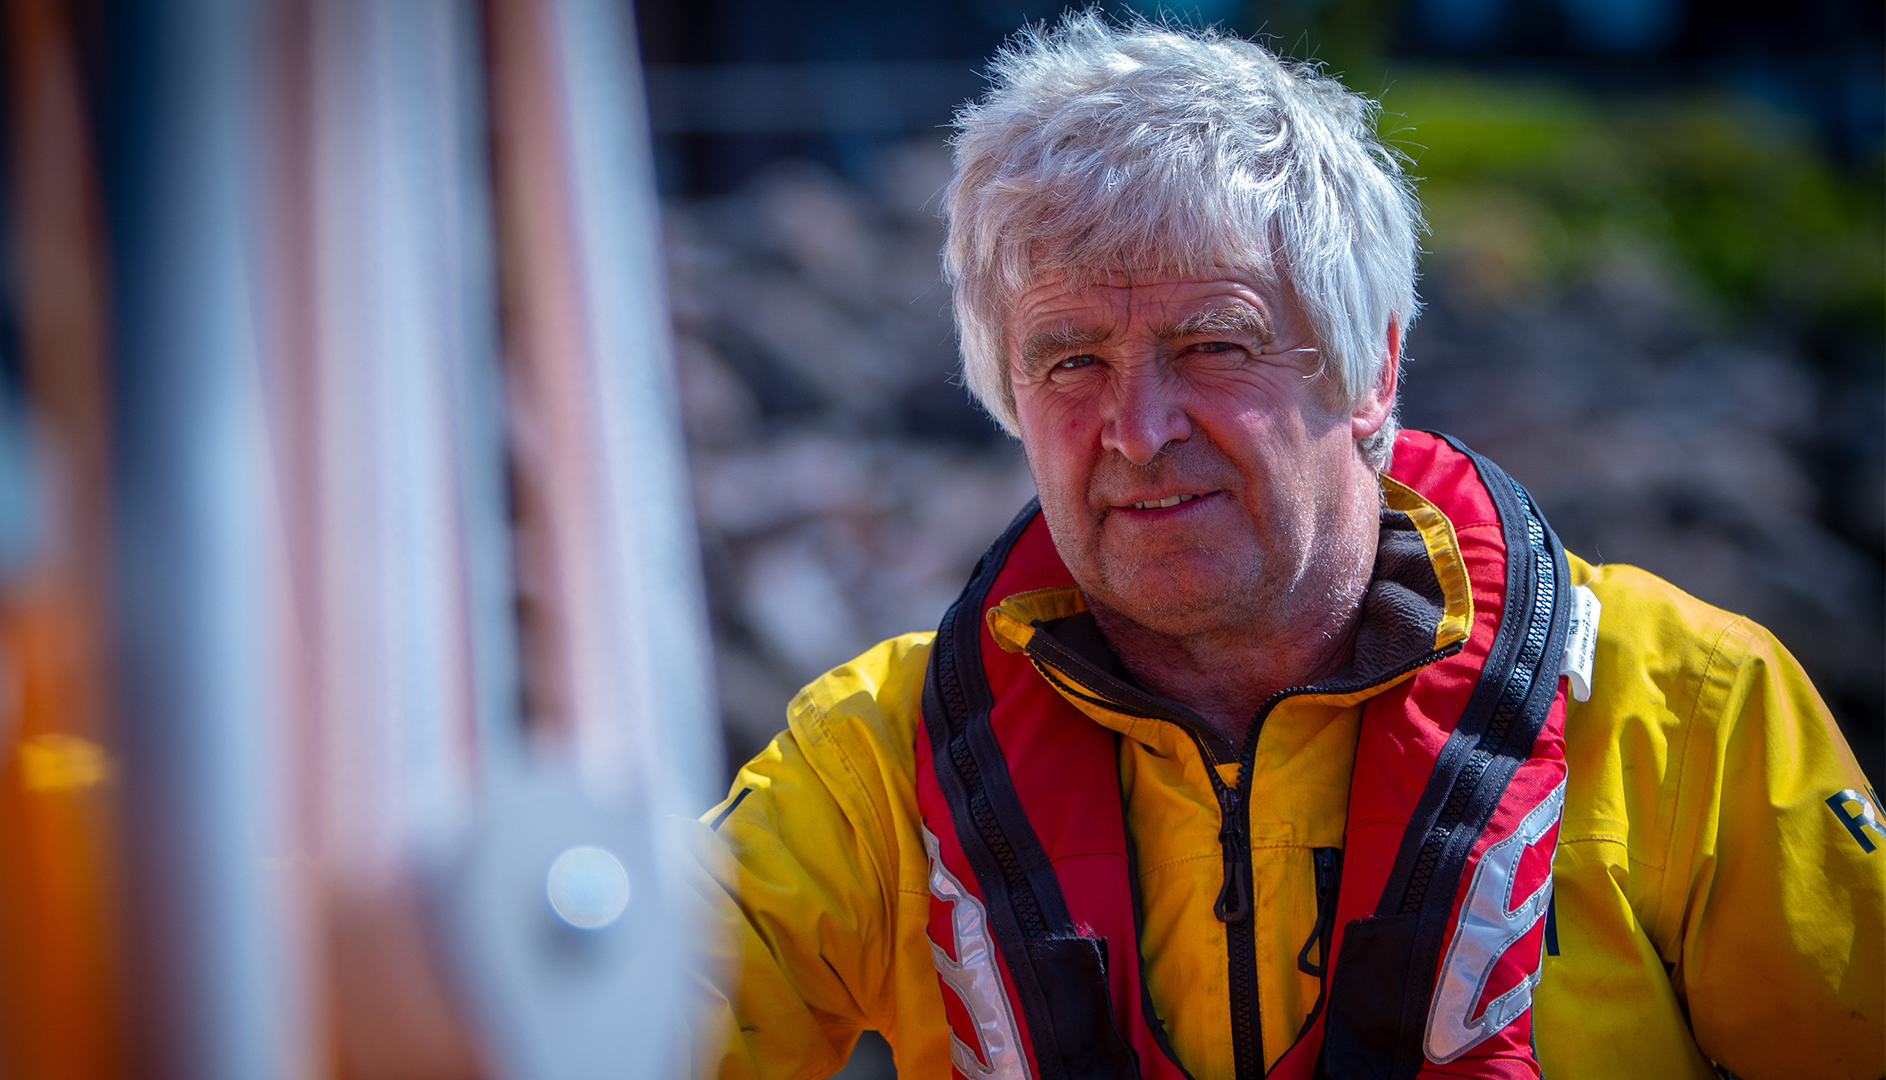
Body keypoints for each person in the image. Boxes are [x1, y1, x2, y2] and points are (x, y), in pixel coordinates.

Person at [683, 14, 1884, 1080]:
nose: (1139, 430)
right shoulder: (875, 770)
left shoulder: (1689, 712)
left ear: (1374, 369)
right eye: (1071, 360)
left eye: (1214, 345)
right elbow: (639, 1009)